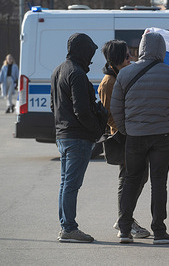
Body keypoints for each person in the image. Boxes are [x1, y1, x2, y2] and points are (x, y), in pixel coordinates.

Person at [110, 31, 169, 244]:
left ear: (141, 49)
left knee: (131, 180)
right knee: (159, 182)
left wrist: (127, 128)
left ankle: (125, 229)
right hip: (161, 136)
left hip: (134, 136)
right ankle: (159, 231)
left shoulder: (125, 74)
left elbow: (116, 107)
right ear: (162, 50)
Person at [51, 33, 106, 243]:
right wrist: (95, 131)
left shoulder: (58, 71)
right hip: (77, 138)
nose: (91, 58)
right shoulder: (77, 73)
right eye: (90, 52)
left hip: (63, 136)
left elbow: (53, 106)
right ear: (82, 51)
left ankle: (66, 226)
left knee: (66, 184)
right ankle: (69, 228)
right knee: (71, 185)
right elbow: (82, 110)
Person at [97, 40, 151, 239]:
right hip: (123, 137)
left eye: (131, 55)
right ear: (116, 59)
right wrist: (129, 130)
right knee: (128, 179)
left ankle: (125, 217)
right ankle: (124, 221)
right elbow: (110, 115)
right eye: (127, 56)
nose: (131, 59)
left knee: (140, 176)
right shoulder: (108, 82)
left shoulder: (123, 75)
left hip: (134, 134)